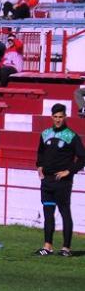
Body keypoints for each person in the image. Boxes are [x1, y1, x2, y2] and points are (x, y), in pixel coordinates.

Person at [35, 103, 85, 257]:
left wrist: (68, 171)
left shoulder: (72, 136)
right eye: (55, 117)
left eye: (60, 117)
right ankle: (47, 246)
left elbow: (82, 158)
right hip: (47, 181)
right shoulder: (45, 134)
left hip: (62, 182)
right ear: (51, 117)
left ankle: (66, 248)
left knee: (64, 213)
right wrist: (39, 166)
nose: (58, 120)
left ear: (65, 117)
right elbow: (40, 153)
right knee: (48, 214)